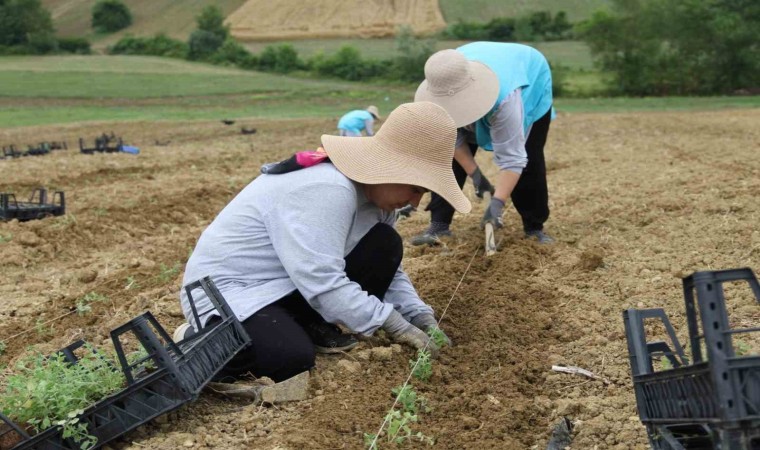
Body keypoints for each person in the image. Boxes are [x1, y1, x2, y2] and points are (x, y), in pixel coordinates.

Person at [174, 102, 469, 383]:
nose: (416, 202)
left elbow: (392, 274)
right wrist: (392, 322)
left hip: (286, 284)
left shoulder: (379, 203)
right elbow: (321, 279)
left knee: (385, 245)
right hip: (231, 293)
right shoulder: (328, 188)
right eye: (416, 189)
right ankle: (202, 336)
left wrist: (418, 314)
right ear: (389, 168)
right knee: (289, 358)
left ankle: (305, 324)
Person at [411, 42, 555, 245]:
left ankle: (534, 228)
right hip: (475, 64)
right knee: (445, 161)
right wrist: (476, 176)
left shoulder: (506, 99)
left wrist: (497, 203)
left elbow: (513, 159)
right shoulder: (440, 85)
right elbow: (451, 140)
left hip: (529, 76)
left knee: (530, 159)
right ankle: (439, 225)